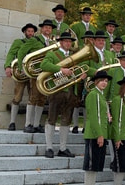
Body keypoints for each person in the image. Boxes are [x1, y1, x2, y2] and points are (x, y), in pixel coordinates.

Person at [40, 31, 87, 159]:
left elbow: (79, 69)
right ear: (60, 42)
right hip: (56, 91)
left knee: (66, 120)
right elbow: (43, 65)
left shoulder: (74, 56)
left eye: (69, 41)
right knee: (52, 119)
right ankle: (49, 147)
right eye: (65, 41)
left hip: (70, 92)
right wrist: (60, 70)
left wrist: (82, 75)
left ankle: (62, 148)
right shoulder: (53, 54)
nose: (67, 43)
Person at [17, 19, 56, 133]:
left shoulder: (53, 43)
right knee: (33, 97)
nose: (47, 29)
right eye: (45, 27)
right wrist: (21, 68)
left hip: (47, 73)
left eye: (49, 28)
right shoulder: (34, 40)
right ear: (41, 29)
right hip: (36, 73)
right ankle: (27, 124)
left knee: (42, 99)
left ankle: (36, 124)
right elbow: (21, 52)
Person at [4, 23, 36, 131]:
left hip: (31, 74)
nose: (30, 33)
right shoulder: (18, 42)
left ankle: (29, 124)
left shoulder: (36, 43)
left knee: (32, 98)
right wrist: (8, 66)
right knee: (17, 97)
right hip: (20, 73)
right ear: (24, 32)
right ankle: (12, 122)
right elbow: (11, 54)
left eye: (32, 31)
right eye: (28, 31)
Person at [83, 70, 113, 185]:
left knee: (96, 165)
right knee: (91, 165)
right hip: (94, 134)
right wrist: (99, 134)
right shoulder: (93, 94)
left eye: (106, 81)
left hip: (101, 133)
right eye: (101, 81)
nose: (104, 83)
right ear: (96, 82)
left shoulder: (101, 95)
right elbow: (93, 117)